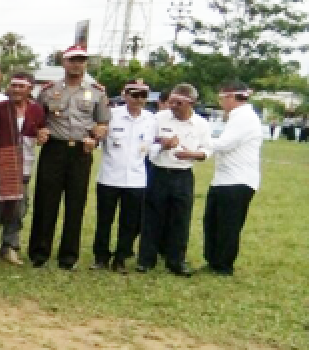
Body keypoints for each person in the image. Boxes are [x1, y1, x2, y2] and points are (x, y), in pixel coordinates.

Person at [28, 45, 110, 269]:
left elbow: (103, 123)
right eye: (72, 60)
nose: (77, 64)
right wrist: (39, 131)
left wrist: (96, 138)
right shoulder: (47, 90)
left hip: (81, 152)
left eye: (81, 60)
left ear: (86, 64)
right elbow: (36, 119)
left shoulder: (97, 92)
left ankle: (68, 256)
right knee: (46, 202)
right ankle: (39, 253)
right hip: (54, 149)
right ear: (64, 63)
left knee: (75, 204)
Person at [137, 82, 212, 277]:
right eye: (171, 102)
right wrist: (162, 145)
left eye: (178, 103)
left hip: (183, 174)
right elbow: (147, 145)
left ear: (191, 103)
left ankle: (176, 260)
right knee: (152, 216)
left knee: (180, 219)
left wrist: (193, 155)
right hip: (159, 171)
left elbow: (207, 150)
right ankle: (146, 259)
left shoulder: (201, 124)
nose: (173, 106)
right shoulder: (159, 119)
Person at [0, 72, 46, 265]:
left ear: (29, 89)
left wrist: (42, 136)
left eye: (21, 86)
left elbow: (41, 132)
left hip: (24, 165)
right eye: (14, 86)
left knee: (18, 209)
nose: (16, 90)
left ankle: (9, 247)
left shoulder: (37, 111)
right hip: (0, 163)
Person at [91, 80, 155, 272]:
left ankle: (121, 258)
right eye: (134, 95)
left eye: (143, 96)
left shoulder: (151, 120)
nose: (138, 99)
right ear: (124, 94)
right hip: (110, 177)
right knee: (105, 220)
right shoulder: (111, 116)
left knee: (129, 222)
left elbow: (153, 145)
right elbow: (98, 140)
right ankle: (101, 257)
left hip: (136, 179)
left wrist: (164, 146)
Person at [203, 81, 264, 276]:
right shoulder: (236, 117)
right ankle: (213, 260)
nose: (221, 102)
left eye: (221, 98)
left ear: (231, 97)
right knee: (212, 221)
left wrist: (197, 141)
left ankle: (223, 265)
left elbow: (225, 144)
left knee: (228, 224)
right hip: (224, 179)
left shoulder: (245, 117)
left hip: (237, 180)